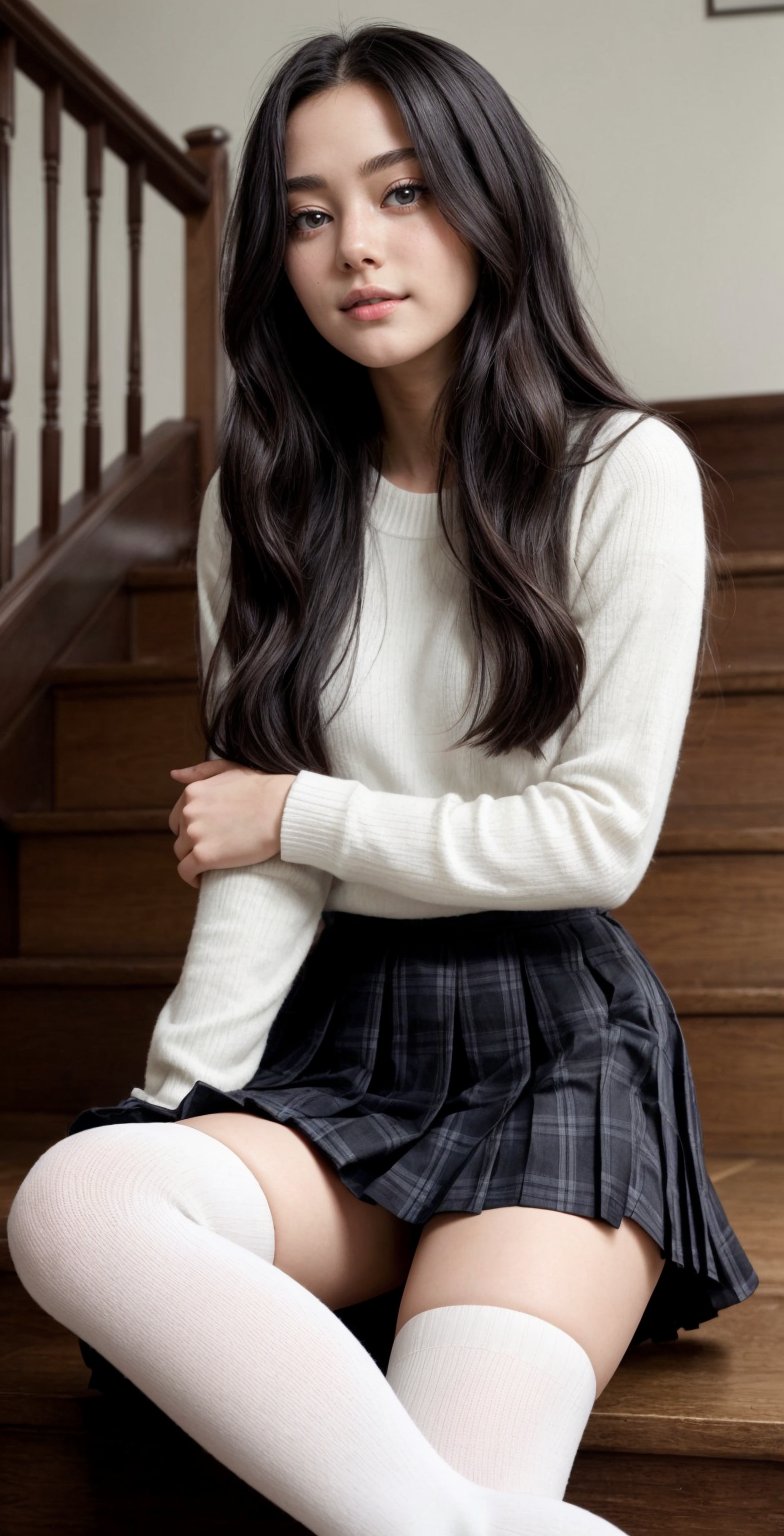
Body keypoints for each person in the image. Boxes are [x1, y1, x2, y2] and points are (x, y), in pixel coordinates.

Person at [8, 21, 759, 1536]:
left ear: (489, 203)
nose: (356, 246)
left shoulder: (621, 477)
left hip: (555, 1039)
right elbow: (257, 863)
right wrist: (178, 1103)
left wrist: (297, 809)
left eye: (404, 191)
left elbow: (593, 842)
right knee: (78, 1198)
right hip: (336, 1040)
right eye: (307, 212)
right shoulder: (267, 497)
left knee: (438, 1490)